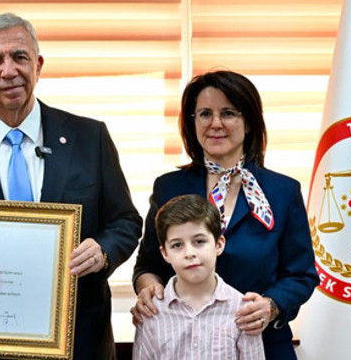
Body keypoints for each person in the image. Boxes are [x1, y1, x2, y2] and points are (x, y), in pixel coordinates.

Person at [0, 12, 142, 360]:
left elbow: (125, 222)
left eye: (20, 57)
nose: (9, 71)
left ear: (38, 65)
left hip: (79, 339)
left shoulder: (90, 137)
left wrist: (102, 250)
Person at [131, 70, 318, 359]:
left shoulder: (282, 191)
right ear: (192, 123)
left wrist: (270, 306)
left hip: (264, 344)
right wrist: (149, 291)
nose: (215, 124)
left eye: (228, 113)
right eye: (205, 114)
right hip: (185, 347)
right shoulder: (169, 187)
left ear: (248, 123)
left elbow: (302, 275)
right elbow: (147, 266)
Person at [132, 194, 265, 360]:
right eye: (177, 245)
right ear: (165, 253)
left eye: (199, 241)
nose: (189, 253)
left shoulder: (244, 311)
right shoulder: (152, 312)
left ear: (219, 244)